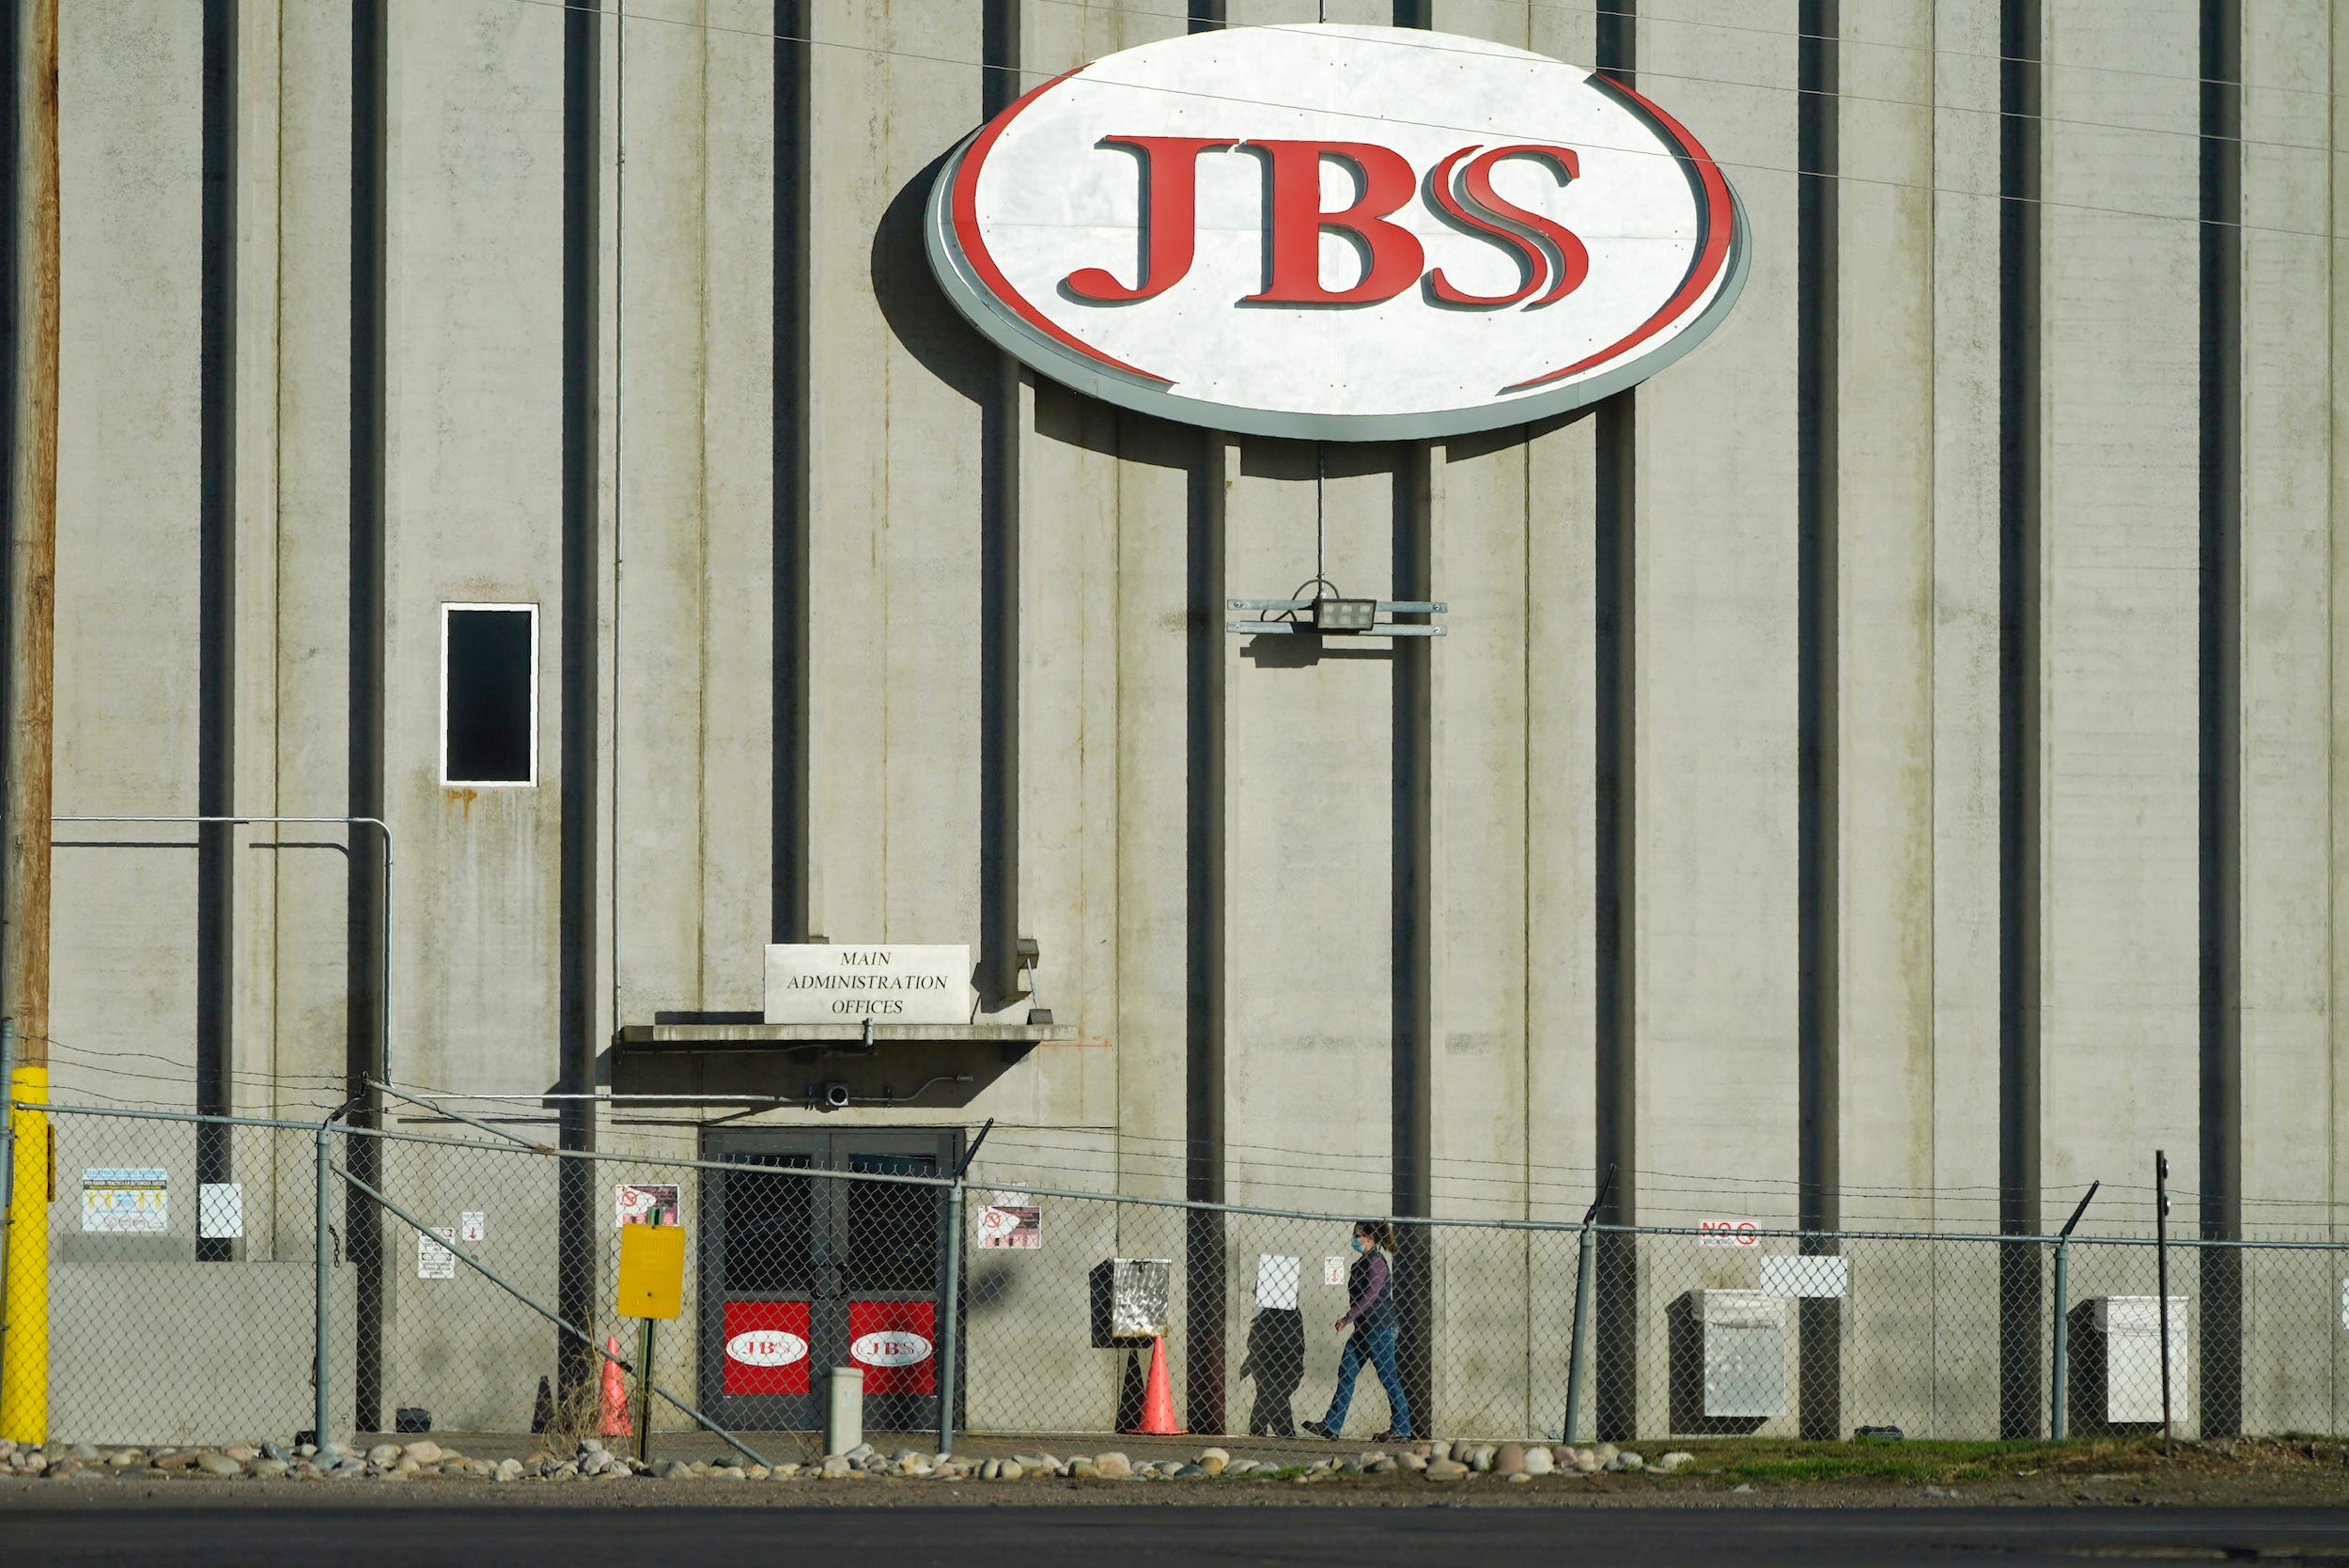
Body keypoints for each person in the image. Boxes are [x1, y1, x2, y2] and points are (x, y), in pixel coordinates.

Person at [1302, 1219, 1411, 1442]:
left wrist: (1347, 1317)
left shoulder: (1377, 1262)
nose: (1354, 1240)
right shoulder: (1359, 1264)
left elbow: (1371, 1295)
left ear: (1370, 1238)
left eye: (1357, 1235)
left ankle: (1402, 1428)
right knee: (1347, 1372)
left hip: (1380, 1327)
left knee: (1388, 1377)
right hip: (1363, 1329)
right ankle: (1332, 1426)